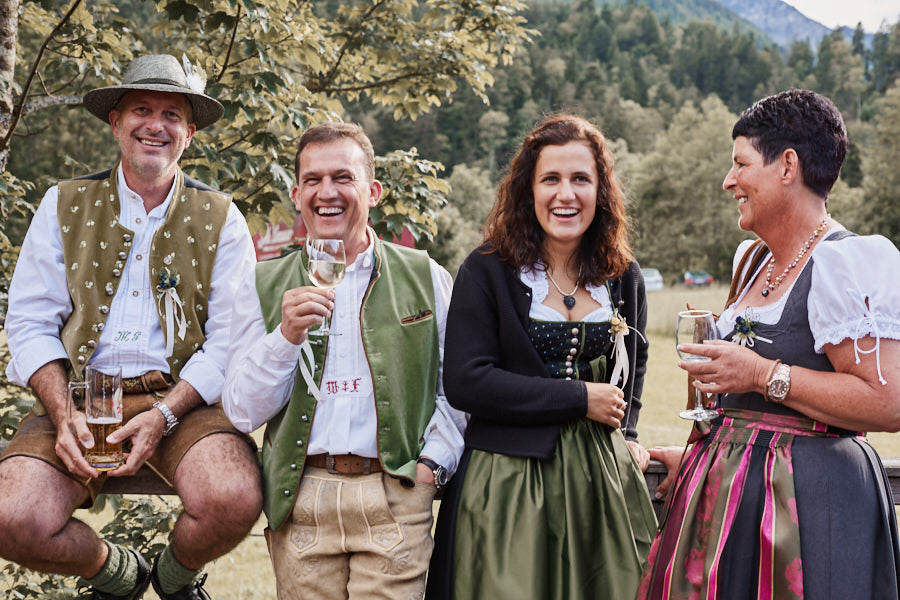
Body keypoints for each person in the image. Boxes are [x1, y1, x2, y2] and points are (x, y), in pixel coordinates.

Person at [0, 54, 262, 600]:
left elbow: (233, 340)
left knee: (234, 498)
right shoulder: (62, 203)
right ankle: (116, 574)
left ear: (189, 134)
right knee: (9, 517)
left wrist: (167, 414)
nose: (156, 124)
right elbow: (28, 323)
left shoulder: (222, 216)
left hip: (181, 399)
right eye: (142, 109)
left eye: (172, 114)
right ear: (116, 121)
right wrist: (63, 413)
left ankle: (173, 578)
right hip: (74, 399)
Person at [638, 89, 900, 599]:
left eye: (740, 164)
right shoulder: (750, 261)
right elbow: (737, 403)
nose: (728, 180)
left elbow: (887, 403)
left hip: (811, 504)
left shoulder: (846, 265)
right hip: (727, 496)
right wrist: (698, 451)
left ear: (787, 166)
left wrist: (762, 373)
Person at [221, 121, 465, 599]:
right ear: (296, 194)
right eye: (312, 180)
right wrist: (286, 337)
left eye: (342, 178)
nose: (325, 192)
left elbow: (454, 389)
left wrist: (432, 467)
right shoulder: (262, 283)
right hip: (302, 495)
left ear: (372, 191)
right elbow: (242, 409)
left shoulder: (427, 277)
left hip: (394, 493)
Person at [426, 114, 657, 600]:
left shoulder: (621, 274)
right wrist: (577, 398)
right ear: (528, 190)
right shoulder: (487, 270)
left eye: (580, 179)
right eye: (550, 179)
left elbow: (633, 357)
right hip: (506, 484)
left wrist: (629, 431)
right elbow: (468, 381)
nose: (565, 195)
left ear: (601, 190)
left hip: (601, 485)